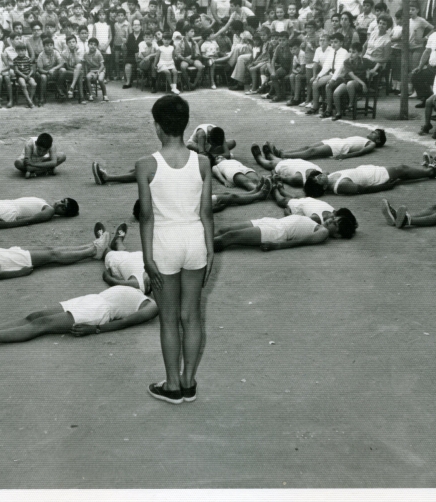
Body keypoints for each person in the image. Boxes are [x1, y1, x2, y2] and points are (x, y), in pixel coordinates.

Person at [135, 95, 214, 405]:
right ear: (185, 124)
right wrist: (210, 250)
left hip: (164, 244)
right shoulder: (203, 162)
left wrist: (147, 257)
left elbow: (146, 216)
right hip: (195, 239)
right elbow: (207, 213)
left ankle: (171, 386)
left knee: (168, 319)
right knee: (192, 316)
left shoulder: (145, 165)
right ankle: (188, 381)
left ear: (157, 126)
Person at [0, 282, 158, 348]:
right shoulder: (140, 290)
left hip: (98, 311)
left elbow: (126, 322)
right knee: (35, 315)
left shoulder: (152, 306)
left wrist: (95, 329)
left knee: (44, 324)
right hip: (91, 299)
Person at [307, 156, 436, 197]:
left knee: (402, 172)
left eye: (316, 177)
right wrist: (386, 187)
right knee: (402, 169)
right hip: (376, 178)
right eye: (318, 180)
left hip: (368, 171)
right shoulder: (341, 186)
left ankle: (423, 170)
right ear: (324, 187)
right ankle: (430, 172)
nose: (318, 176)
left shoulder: (329, 177)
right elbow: (363, 189)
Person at [213, 212, 345, 252]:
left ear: (338, 235)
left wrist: (277, 245)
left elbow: (300, 241)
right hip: (271, 221)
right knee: (224, 230)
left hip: (277, 232)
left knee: (230, 237)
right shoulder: (315, 220)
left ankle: (196, 248)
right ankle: (195, 240)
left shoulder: (323, 232)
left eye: (335, 224)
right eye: (334, 218)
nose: (331, 221)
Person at [264, 130, 387, 162]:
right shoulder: (365, 139)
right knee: (308, 147)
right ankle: (281, 151)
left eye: (374, 133)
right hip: (337, 141)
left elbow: (362, 152)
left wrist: (345, 156)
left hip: (341, 147)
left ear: (378, 139)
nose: (371, 133)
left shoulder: (372, 144)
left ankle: (282, 155)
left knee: (312, 151)